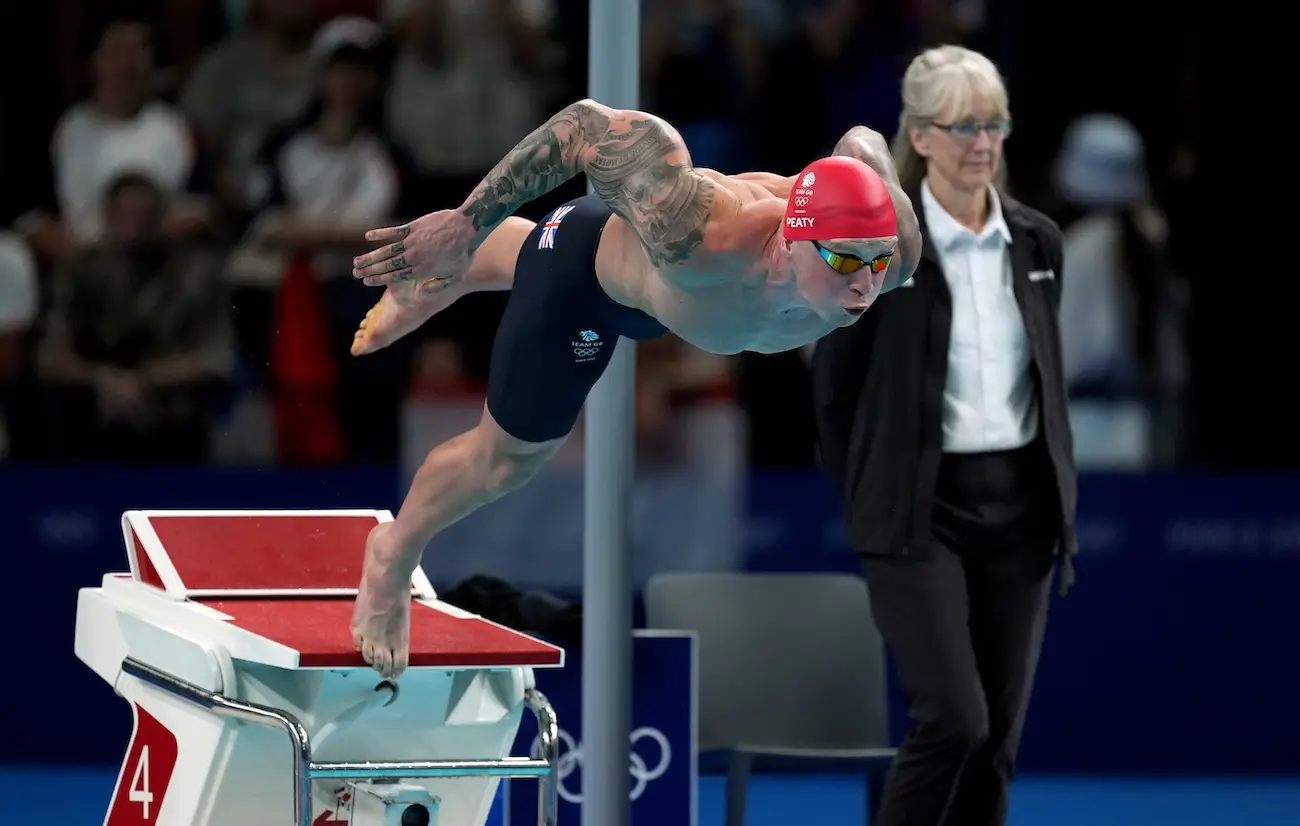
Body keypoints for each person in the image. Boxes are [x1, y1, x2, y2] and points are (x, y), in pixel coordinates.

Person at [344, 97, 922, 678]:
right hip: (583, 281)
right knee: (505, 462)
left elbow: (864, 140)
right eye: (846, 263)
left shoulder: (889, 253)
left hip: (661, 302)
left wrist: (870, 175)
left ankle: (458, 273)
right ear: (792, 241)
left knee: (647, 288)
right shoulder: (698, 230)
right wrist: (463, 224)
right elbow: (586, 127)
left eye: (878, 262)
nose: (865, 286)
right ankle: (392, 555)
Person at [812, 46, 1076, 826]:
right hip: (918, 510)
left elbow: (1045, 380)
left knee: (996, 743)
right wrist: (869, 489)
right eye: (962, 125)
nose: (982, 142)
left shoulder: (1037, 242)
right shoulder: (880, 245)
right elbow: (834, 391)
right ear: (920, 137)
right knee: (954, 721)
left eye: (993, 123)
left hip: (1022, 513)